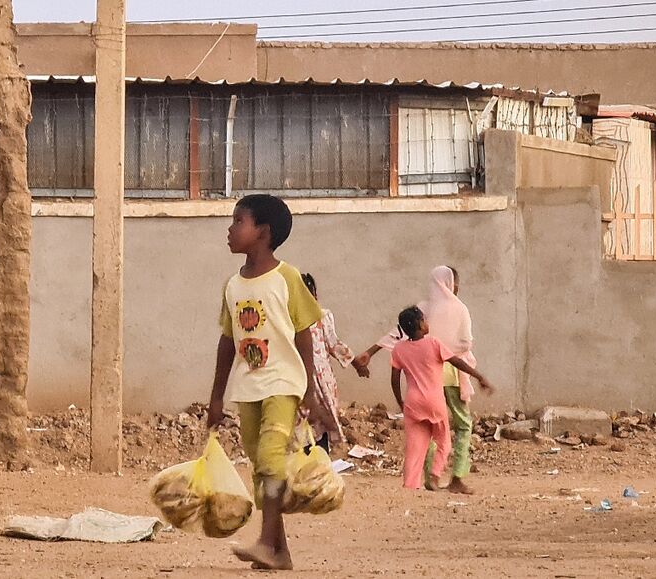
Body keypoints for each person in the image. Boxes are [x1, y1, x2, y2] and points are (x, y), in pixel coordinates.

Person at [208, 194, 334, 571]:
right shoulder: (233, 285)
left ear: (262, 232)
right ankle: (279, 551)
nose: (230, 229)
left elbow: (304, 335)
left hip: (283, 383)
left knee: (270, 458)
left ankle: (266, 541)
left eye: (237, 221)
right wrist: (216, 399)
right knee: (259, 463)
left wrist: (310, 391)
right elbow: (228, 342)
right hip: (249, 388)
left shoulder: (287, 278)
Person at [355, 266, 486, 494]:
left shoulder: (423, 308)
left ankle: (428, 477)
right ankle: (456, 476)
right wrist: (452, 350)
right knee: (463, 425)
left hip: (422, 380)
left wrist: (370, 351)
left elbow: (397, 334)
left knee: (426, 432)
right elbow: (465, 343)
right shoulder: (459, 309)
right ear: (452, 284)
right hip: (449, 372)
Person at [390, 306, 492, 491]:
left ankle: (410, 484)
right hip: (434, 401)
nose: (427, 322)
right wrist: (479, 376)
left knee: (415, 447)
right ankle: (435, 475)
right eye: (425, 320)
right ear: (420, 324)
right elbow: (457, 361)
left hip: (413, 403)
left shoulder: (399, 349)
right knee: (443, 441)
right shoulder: (434, 344)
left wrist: (400, 402)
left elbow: (394, 379)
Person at [299, 273, 363, 452]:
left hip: (322, 378)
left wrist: (355, 362)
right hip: (301, 378)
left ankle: (321, 458)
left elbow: (333, 344)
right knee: (303, 423)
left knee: (323, 418)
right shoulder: (289, 320)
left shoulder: (323, 316)